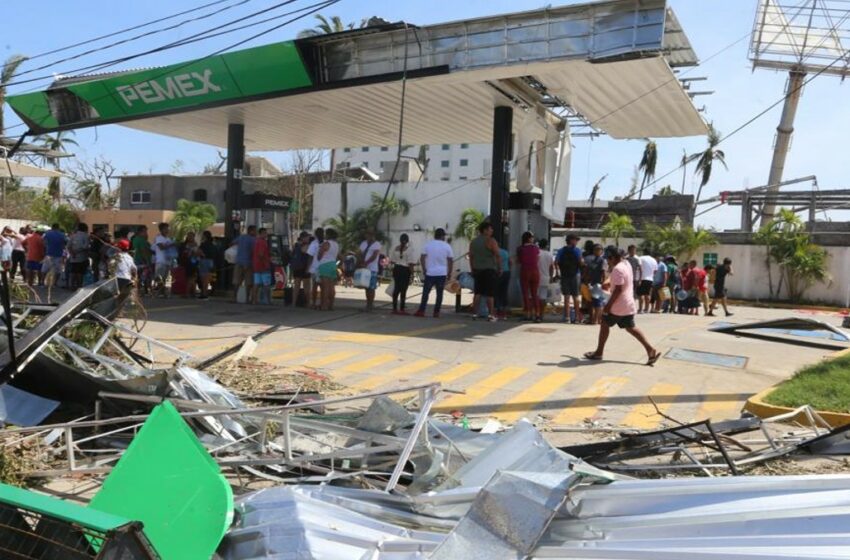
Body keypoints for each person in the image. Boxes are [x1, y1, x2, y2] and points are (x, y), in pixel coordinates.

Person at [584, 246, 660, 366]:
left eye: (608, 259)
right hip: (628, 304)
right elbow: (619, 281)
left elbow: (618, 289)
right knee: (631, 327)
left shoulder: (617, 269)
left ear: (613, 258)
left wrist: (608, 306)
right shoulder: (626, 263)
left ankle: (598, 352)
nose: (607, 261)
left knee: (604, 323)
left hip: (618, 305)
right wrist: (609, 281)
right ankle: (650, 350)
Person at [415, 228, 454, 318]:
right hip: (442, 273)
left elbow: (422, 258)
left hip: (430, 273)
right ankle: (436, 312)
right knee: (439, 293)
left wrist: (424, 269)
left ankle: (421, 311)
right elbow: (450, 260)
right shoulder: (447, 246)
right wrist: (449, 273)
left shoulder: (428, 245)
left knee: (425, 293)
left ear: (435, 235)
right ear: (443, 236)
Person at [469, 222, 502, 322]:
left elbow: (471, 257)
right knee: (489, 294)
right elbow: (497, 255)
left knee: (477, 292)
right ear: (485, 230)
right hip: (489, 269)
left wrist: (472, 269)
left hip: (477, 270)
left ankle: (475, 314)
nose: (492, 231)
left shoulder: (473, 242)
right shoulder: (490, 241)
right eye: (490, 229)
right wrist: (500, 268)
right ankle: (491, 315)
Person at [556, 233, 583, 324]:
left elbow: (556, 262)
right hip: (575, 275)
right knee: (576, 297)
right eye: (576, 240)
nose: (577, 241)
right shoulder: (577, 250)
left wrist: (558, 272)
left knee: (566, 297)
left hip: (564, 275)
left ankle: (567, 318)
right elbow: (581, 262)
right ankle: (576, 318)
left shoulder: (561, 251)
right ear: (571, 240)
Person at [516, 231, 540, 322]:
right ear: (529, 238)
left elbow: (519, 261)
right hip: (535, 271)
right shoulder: (536, 248)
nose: (533, 238)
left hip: (525, 271)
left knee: (525, 294)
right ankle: (537, 315)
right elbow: (537, 259)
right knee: (535, 294)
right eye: (532, 237)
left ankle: (527, 314)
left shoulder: (520, 249)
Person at [231, 225, 257, 303]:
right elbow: (254, 251)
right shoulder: (254, 240)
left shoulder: (241, 237)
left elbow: (232, 243)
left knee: (237, 281)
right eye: (255, 231)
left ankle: (234, 297)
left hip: (238, 261)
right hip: (248, 262)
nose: (256, 232)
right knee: (248, 282)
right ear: (251, 231)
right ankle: (247, 299)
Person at [391, 233, 416, 315]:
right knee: (403, 290)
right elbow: (410, 264)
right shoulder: (409, 250)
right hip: (405, 270)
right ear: (407, 241)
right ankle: (402, 309)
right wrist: (413, 274)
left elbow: (393, 261)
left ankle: (394, 308)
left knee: (396, 289)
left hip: (396, 269)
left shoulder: (395, 249)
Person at [359, 229, 382, 312]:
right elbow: (361, 254)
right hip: (365, 268)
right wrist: (361, 262)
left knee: (371, 287)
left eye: (370, 234)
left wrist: (366, 262)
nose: (368, 236)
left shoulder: (376, 244)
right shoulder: (363, 243)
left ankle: (370, 304)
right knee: (366, 287)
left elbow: (374, 255)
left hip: (372, 268)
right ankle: (368, 304)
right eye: (367, 234)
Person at [316, 228, 339, 311]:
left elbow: (320, 253)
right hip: (333, 264)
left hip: (325, 264)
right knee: (331, 287)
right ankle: (331, 305)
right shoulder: (336, 244)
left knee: (324, 287)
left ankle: (324, 305)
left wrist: (319, 257)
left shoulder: (326, 243)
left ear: (328, 235)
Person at [584, 244, 607, 325]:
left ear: (602, 251)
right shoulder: (590, 260)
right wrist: (586, 280)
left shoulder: (602, 261)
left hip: (598, 283)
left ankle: (596, 320)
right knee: (592, 302)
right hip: (591, 283)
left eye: (599, 250)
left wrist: (603, 283)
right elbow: (587, 270)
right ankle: (593, 318)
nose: (597, 251)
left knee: (598, 302)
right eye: (596, 250)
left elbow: (603, 273)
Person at [152, 222, 175, 298]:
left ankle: (162, 293)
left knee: (164, 278)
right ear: (161, 230)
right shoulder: (159, 238)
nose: (167, 230)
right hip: (160, 261)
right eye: (165, 229)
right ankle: (157, 293)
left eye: (168, 228)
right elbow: (161, 247)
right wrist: (171, 245)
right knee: (159, 278)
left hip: (167, 262)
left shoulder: (168, 239)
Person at [41, 223, 66, 290]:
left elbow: (43, 241)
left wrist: (46, 246)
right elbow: (65, 242)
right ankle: (54, 284)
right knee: (58, 270)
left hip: (49, 254)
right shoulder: (62, 234)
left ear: (52, 227)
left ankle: (42, 283)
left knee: (45, 269)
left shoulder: (47, 233)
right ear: (58, 227)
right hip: (58, 254)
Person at [251, 228, 272, 305]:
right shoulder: (263, 242)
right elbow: (261, 254)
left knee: (256, 283)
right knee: (267, 284)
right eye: (265, 233)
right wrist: (265, 263)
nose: (266, 235)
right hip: (263, 266)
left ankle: (254, 300)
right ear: (262, 233)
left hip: (256, 266)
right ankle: (268, 300)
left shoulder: (256, 241)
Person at [290, 231, 311, 307]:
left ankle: (293, 303)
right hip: (304, 267)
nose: (309, 238)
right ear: (303, 238)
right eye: (307, 237)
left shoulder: (296, 245)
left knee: (296, 286)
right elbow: (309, 257)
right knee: (306, 286)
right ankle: (308, 303)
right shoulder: (306, 246)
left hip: (296, 267)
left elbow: (292, 254)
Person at [536, 238, 555, 322]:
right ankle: (541, 315)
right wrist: (551, 277)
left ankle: (535, 314)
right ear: (546, 245)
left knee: (535, 296)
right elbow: (552, 267)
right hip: (546, 278)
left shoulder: (537, 253)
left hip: (536, 277)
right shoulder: (549, 254)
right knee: (543, 298)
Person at [67, 222, 90, 289]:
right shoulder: (86, 236)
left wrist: (72, 253)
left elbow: (68, 246)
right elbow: (85, 247)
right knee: (80, 273)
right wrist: (77, 252)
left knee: (73, 272)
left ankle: (71, 285)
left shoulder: (73, 235)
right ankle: (79, 286)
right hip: (82, 257)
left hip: (73, 258)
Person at [132, 225, 153, 295]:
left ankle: (140, 290)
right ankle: (142, 290)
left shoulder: (135, 239)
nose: (146, 233)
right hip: (142, 261)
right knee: (143, 276)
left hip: (136, 260)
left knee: (138, 276)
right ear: (141, 232)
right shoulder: (141, 240)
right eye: (145, 231)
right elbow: (143, 251)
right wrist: (147, 261)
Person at [179, 232, 201, 299]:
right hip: (188, 262)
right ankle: (193, 293)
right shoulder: (187, 244)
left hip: (192, 263)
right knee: (191, 278)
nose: (189, 237)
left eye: (191, 236)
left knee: (190, 278)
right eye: (188, 236)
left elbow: (196, 253)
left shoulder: (194, 244)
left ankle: (187, 293)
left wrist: (191, 253)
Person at [306, 227, 324, 309]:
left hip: (315, 267)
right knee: (323, 286)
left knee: (314, 286)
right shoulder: (326, 243)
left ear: (315, 234)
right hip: (324, 267)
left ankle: (313, 303)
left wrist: (308, 267)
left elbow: (310, 257)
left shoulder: (313, 243)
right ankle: (323, 303)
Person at [494, 242, 511, 320]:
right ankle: (504, 313)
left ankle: (497, 311)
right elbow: (510, 262)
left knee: (496, 292)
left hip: (498, 273)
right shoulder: (505, 252)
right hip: (507, 273)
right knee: (504, 292)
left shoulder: (494, 252)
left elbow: (496, 262)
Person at [637, 249, 657, 313]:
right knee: (647, 294)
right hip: (650, 279)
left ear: (644, 252)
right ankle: (646, 309)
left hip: (642, 278)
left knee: (640, 295)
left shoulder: (640, 258)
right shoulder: (654, 260)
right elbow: (655, 271)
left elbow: (638, 268)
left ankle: (640, 309)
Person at [198, 231, 217, 300]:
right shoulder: (213, 245)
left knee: (203, 279)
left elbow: (199, 252)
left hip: (204, 261)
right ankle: (205, 292)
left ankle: (204, 293)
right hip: (211, 262)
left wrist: (201, 255)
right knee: (208, 278)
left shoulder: (203, 244)